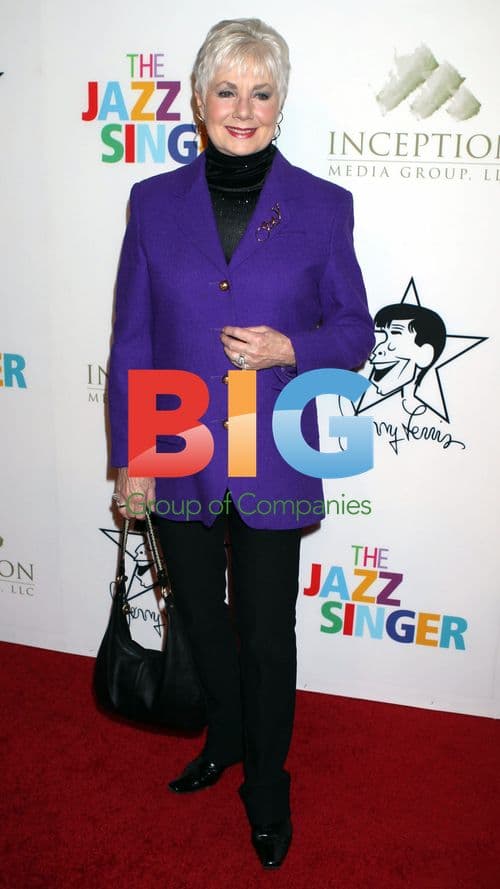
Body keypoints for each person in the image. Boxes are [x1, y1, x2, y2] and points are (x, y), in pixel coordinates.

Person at [108, 18, 374, 869]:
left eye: (261, 92)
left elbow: (358, 333)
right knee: (205, 621)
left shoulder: (326, 209)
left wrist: (292, 348)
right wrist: (133, 458)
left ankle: (267, 782)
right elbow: (132, 340)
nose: (244, 108)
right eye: (228, 90)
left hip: (273, 447)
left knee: (266, 632)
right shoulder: (152, 203)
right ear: (198, 98)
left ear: (281, 103)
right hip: (177, 436)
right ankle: (223, 733)